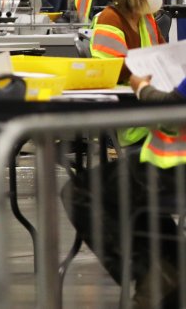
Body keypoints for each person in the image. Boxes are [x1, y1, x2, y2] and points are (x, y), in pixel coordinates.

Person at [63, 72, 185, 306]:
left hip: (174, 167)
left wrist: (142, 89)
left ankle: (155, 277)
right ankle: (170, 271)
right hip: (166, 164)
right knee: (139, 201)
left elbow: (174, 108)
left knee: (82, 193)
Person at [89, 0, 165, 82]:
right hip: (123, 95)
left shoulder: (146, 17)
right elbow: (113, 69)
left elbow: (163, 53)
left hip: (144, 89)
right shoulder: (110, 19)